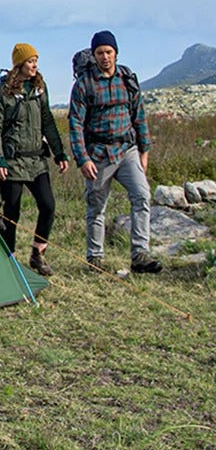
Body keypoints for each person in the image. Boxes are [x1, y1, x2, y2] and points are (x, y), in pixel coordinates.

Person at [68, 30, 162, 273]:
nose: (105, 57)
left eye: (109, 52)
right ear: (94, 55)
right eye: (100, 52)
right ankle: (95, 258)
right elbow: (75, 124)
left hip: (128, 149)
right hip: (98, 154)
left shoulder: (127, 79)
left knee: (142, 196)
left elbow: (139, 116)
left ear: (116, 53)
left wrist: (144, 150)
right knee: (96, 206)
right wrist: (82, 159)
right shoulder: (84, 85)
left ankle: (140, 255)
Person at [0, 43, 69, 276]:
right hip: (11, 161)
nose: (35, 65)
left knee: (48, 206)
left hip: (36, 161)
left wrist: (59, 152)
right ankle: (8, 260)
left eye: (36, 61)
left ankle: (37, 254)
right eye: (31, 61)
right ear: (19, 64)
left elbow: (48, 121)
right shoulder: (2, 93)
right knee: (12, 213)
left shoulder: (39, 89)